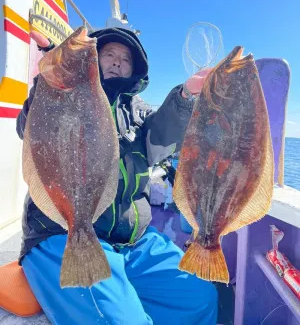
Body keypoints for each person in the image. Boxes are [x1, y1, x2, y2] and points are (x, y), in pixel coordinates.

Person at [16, 27, 217, 325]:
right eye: (107, 54)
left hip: (133, 242)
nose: (116, 61)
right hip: (61, 234)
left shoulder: (139, 114)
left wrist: (185, 97)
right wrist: (55, 70)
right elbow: (28, 127)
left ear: (134, 71)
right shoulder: (57, 93)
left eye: (125, 59)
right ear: (93, 60)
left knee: (199, 296)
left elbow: (163, 138)